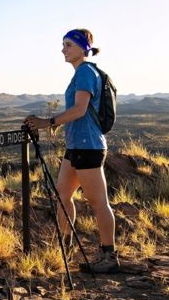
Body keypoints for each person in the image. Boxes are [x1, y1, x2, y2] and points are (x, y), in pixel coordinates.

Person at [24, 29, 119, 273]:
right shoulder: (80, 74)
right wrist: (59, 124)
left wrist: (49, 122)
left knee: (98, 202)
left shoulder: (86, 72)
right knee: (63, 195)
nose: (63, 49)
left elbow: (79, 109)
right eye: (63, 44)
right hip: (76, 146)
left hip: (88, 146)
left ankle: (109, 256)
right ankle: (65, 248)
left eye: (68, 45)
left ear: (82, 48)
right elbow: (78, 113)